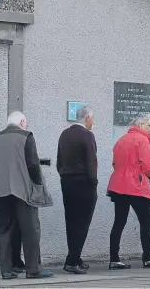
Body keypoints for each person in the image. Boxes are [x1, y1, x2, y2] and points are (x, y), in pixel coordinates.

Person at [0, 111, 54, 280]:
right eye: (26, 122)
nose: (27, 125)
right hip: (22, 192)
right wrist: (37, 185)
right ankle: (33, 270)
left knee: (4, 231)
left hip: (0, 193)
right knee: (30, 230)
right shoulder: (26, 136)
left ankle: (7, 270)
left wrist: (0, 181)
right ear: (22, 122)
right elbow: (33, 165)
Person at [107, 113, 150, 269]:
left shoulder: (121, 139)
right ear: (140, 125)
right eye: (148, 124)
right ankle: (148, 257)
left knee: (119, 222)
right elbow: (148, 166)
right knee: (145, 221)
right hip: (136, 184)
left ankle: (114, 258)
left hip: (118, 184)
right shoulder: (142, 139)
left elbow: (114, 163)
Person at [57, 106, 98, 274]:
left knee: (72, 220)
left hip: (67, 181)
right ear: (87, 118)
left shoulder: (64, 134)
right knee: (82, 222)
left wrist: (63, 175)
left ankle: (73, 256)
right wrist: (93, 182)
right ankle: (73, 261)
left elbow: (59, 160)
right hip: (83, 182)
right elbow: (91, 162)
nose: (93, 122)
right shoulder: (87, 135)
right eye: (92, 119)